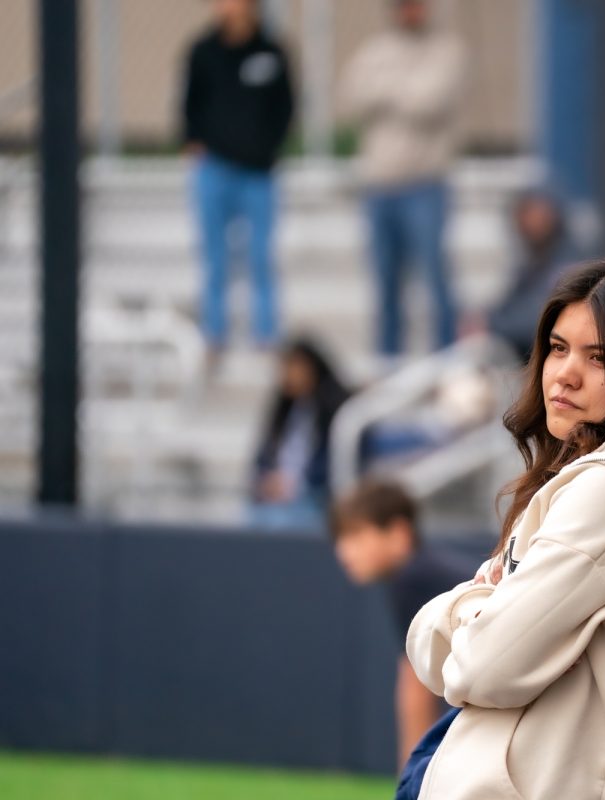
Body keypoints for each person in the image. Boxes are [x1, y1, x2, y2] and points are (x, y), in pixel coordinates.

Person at [405, 258, 605, 799]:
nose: (564, 373)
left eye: (600, 358)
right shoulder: (592, 479)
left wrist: (470, 608)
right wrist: (485, 613)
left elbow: (479, 669)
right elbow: (433, 653)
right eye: (559, 348)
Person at [338, 0, 467, 356]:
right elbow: (351, 98)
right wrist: (400, 91)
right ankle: (388, 362)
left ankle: (448, 360)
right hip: (379, 187)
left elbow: (430, 102)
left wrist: (385, 91)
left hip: (425, 184)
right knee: (385, 285)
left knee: (435, 281)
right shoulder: (375, 49)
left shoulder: (447, 49)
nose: (409, 12)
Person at [328, 481, 476, 771]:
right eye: (340, 539)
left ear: (398, 533)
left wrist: (411, 773)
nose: (343, 552)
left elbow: (415, 684)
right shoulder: (419, 572)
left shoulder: (413, 578)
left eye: (356, 536)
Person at [182, 0, 294, 360]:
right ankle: (214, 333)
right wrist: (195, 142)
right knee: (215, 256)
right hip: (214, 169)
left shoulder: (271, 52)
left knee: (260, 255)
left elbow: (285, 106)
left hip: (258, 173)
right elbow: (190, 104)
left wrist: (268, 147)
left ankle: (266, 333)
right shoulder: (202, 50)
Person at [250, 337, 349, 527]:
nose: (287, 375)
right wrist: (267, 480)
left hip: (314, 498)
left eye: (294, 367)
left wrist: (297, 485)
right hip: (277, 499)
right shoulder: (283, 411)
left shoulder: (334, 410)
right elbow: (261, 458)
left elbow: (331, 464)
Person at [483, 188, 576, 361]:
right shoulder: (531, 259)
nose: (530, 222)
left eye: (536, 213)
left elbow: (539, 321)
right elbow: (507, 303)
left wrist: (491, 325)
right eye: (524, 214)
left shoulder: (568, 263)